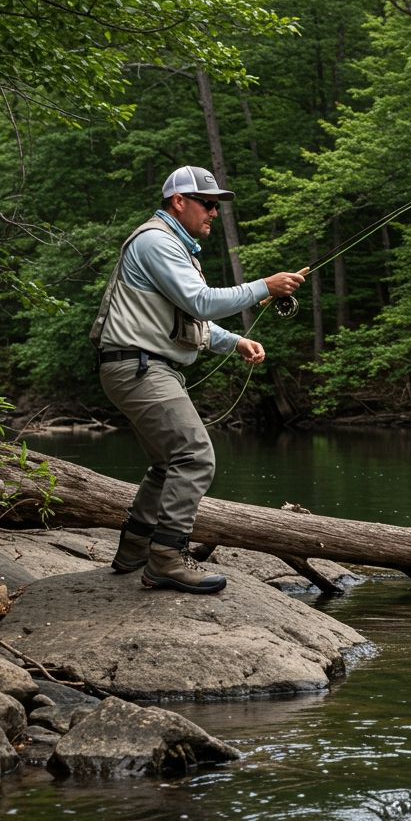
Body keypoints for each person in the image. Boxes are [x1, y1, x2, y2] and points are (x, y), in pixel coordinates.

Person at [92, 165, 305, 594]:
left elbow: (186, 318)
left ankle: (133, 551)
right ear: (179, 202)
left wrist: (236, 342)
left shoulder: (173, 246)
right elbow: (201, 302)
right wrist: (265, 285)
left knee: (167, 463)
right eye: (208, 204)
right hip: (138, 367)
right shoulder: (156, 241)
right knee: (195, 456)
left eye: (216, 206)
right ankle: (166, 560)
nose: (213, 212)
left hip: (137, 366)